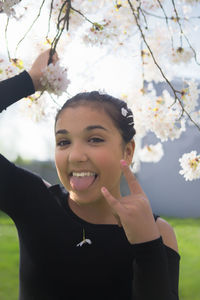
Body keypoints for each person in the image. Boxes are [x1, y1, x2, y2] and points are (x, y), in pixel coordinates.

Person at [0, 50, 180, 300]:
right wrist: (30, 80)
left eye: (94, 139)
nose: (75, 155)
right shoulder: (33, 202)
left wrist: (147, 245)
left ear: (127, 152)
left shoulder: (158, 232)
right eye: (63, 142)